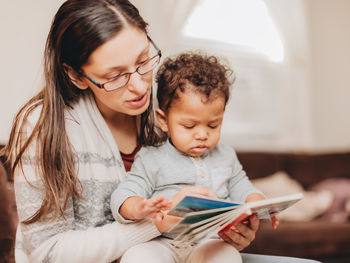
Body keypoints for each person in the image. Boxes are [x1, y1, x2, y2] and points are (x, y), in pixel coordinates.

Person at [0, 0, 320, 262]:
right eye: (114, 76)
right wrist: (155, 223)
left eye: (143, 60)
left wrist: (231, 229)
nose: (140, 86)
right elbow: (47, 253)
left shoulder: (170, 104)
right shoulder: (43, 127)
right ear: (76, 76)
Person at [111, 53, 277, 263]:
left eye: (213, 125)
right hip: (162, 243)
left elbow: (244, 188)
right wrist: (137, 206)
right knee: (137, 257)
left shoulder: (226, 155)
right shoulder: (151, 157)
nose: (202, 134)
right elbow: (124, 194)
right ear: (163, 120)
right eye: (189, 126)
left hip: (210, 242)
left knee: (228, 256)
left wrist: (258, 204)